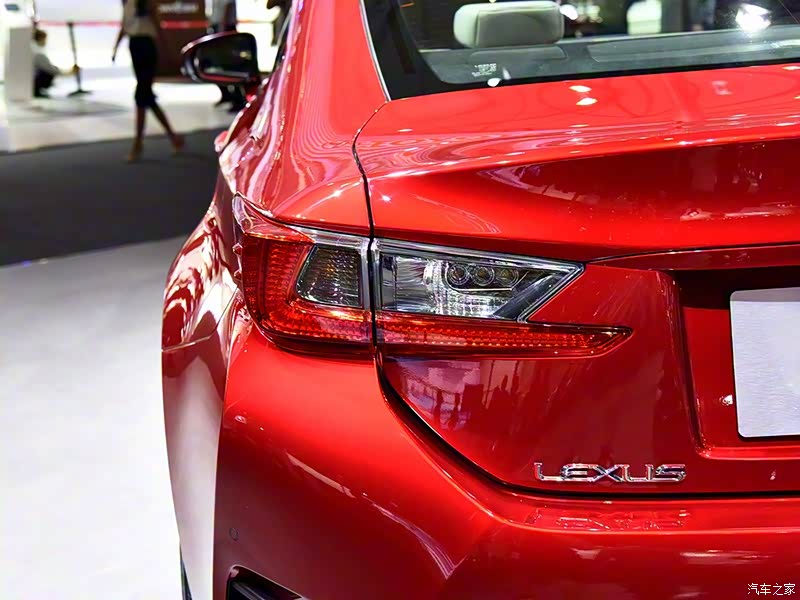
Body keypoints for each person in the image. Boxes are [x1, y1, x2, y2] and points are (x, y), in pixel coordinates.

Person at [112, 0, 184, 162]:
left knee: (141, 94)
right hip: (134, 45)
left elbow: (158, 25)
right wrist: (115, 47)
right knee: (147, 96)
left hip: (146, 46)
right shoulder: (127, 4)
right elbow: (124, 26)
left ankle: (138, 143)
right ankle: (173, 138)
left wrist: (169, 50)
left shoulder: (146, 3)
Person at [209, 0, 245, 110]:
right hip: (218, 27)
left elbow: (228, 6)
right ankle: (226, 94)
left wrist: (222, 29)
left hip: (225, 28)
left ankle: (238, 98)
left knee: (231, 64)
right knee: (218, 64)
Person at [32, 29, 78, 98]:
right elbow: (51, 70)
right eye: (44, 39)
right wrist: (69, 73)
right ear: (40, 39)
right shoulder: (38, 54)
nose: (45, 42)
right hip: (33, 81)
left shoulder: (35, 51)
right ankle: (36, 90)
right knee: (50, 71)